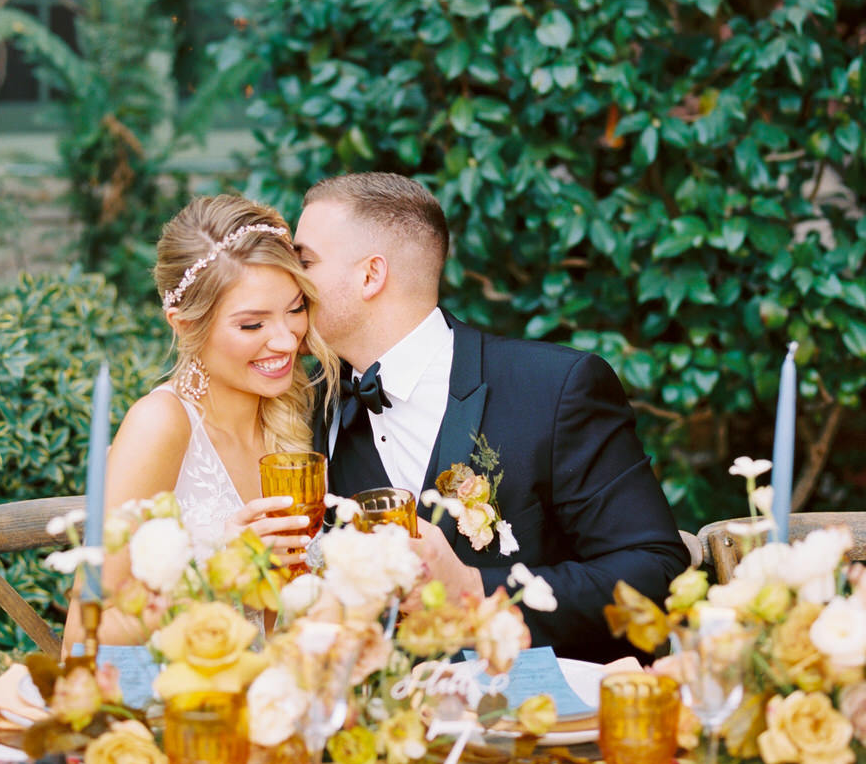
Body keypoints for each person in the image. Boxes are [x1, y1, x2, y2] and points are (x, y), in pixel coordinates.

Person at [294, 172, 688, 662]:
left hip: (543, 721)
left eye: (303, 261)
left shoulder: (555, 387)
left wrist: (476, 588)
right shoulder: (308, 403)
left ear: (371, 275)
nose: (289, 282)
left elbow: (658, 571)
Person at [64, 193, 336, 648]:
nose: (287, 341)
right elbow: (83, 633)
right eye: (252, 325)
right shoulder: (161, 426)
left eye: (295, 310)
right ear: (185, 325)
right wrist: (216, 577)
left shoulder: (299, 411)